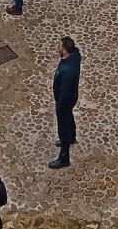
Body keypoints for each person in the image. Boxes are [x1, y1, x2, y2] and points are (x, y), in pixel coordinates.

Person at [50, 36, 83, 169]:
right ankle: (71, 136)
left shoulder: (67, 71)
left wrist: (59, 106)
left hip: (64, 101)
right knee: (69, 116)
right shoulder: (75, 57)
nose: (57, 47)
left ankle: (64, 157)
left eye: (59, 46)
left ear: (64, 50)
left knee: (63, 127)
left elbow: (65, 92)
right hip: (71, 98)